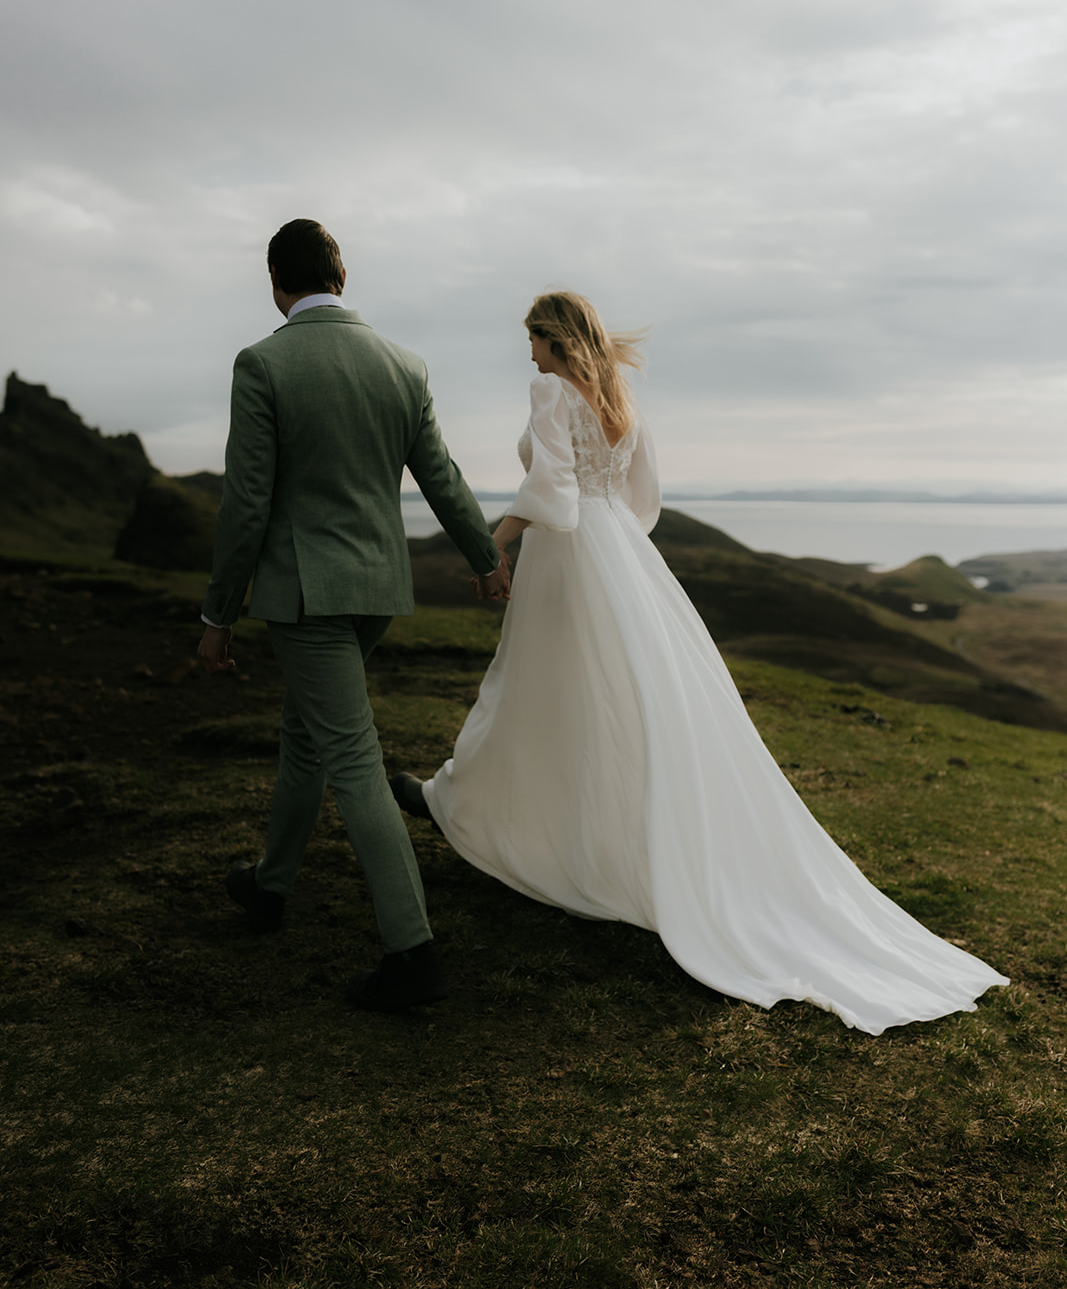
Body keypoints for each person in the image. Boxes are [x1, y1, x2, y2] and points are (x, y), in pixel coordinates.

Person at [392, 292, 1008, 1036]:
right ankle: (478, 799)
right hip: (620, 548)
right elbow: (640, 495)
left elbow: (550, 484)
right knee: (605, 698)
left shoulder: (550, 388)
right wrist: (613, 536)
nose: (526, 354)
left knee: (537, 691)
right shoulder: (617, 393)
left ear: (551, 339)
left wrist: (496, 541)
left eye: (530, 340)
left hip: (571, 554)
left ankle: (467, 803)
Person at [198, 219, 509, 1012]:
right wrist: (483, 558)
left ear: (276, 283)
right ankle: (270, 888)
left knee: (353, 761)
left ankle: (412, 955)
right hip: (377, 589)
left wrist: (218, 612)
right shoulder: (403, 365)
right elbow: (440, 476)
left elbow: (245, 502)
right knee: (305, 736)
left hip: (304, 594)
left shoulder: (263, 362)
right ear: (342, 277)